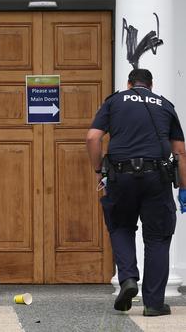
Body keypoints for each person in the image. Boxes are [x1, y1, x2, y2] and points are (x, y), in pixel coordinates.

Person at [86, 68, 186, 317]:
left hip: (121, 175)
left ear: (129, 84)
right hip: (157, 178)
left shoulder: (115, 101)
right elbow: (180, 152)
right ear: (151, 86)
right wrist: (184, 188)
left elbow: (92, 138)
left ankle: (129, 278)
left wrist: (99, 170)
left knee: (120, 227)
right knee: (158, 238)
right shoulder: (165, 105)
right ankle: (153, 304)